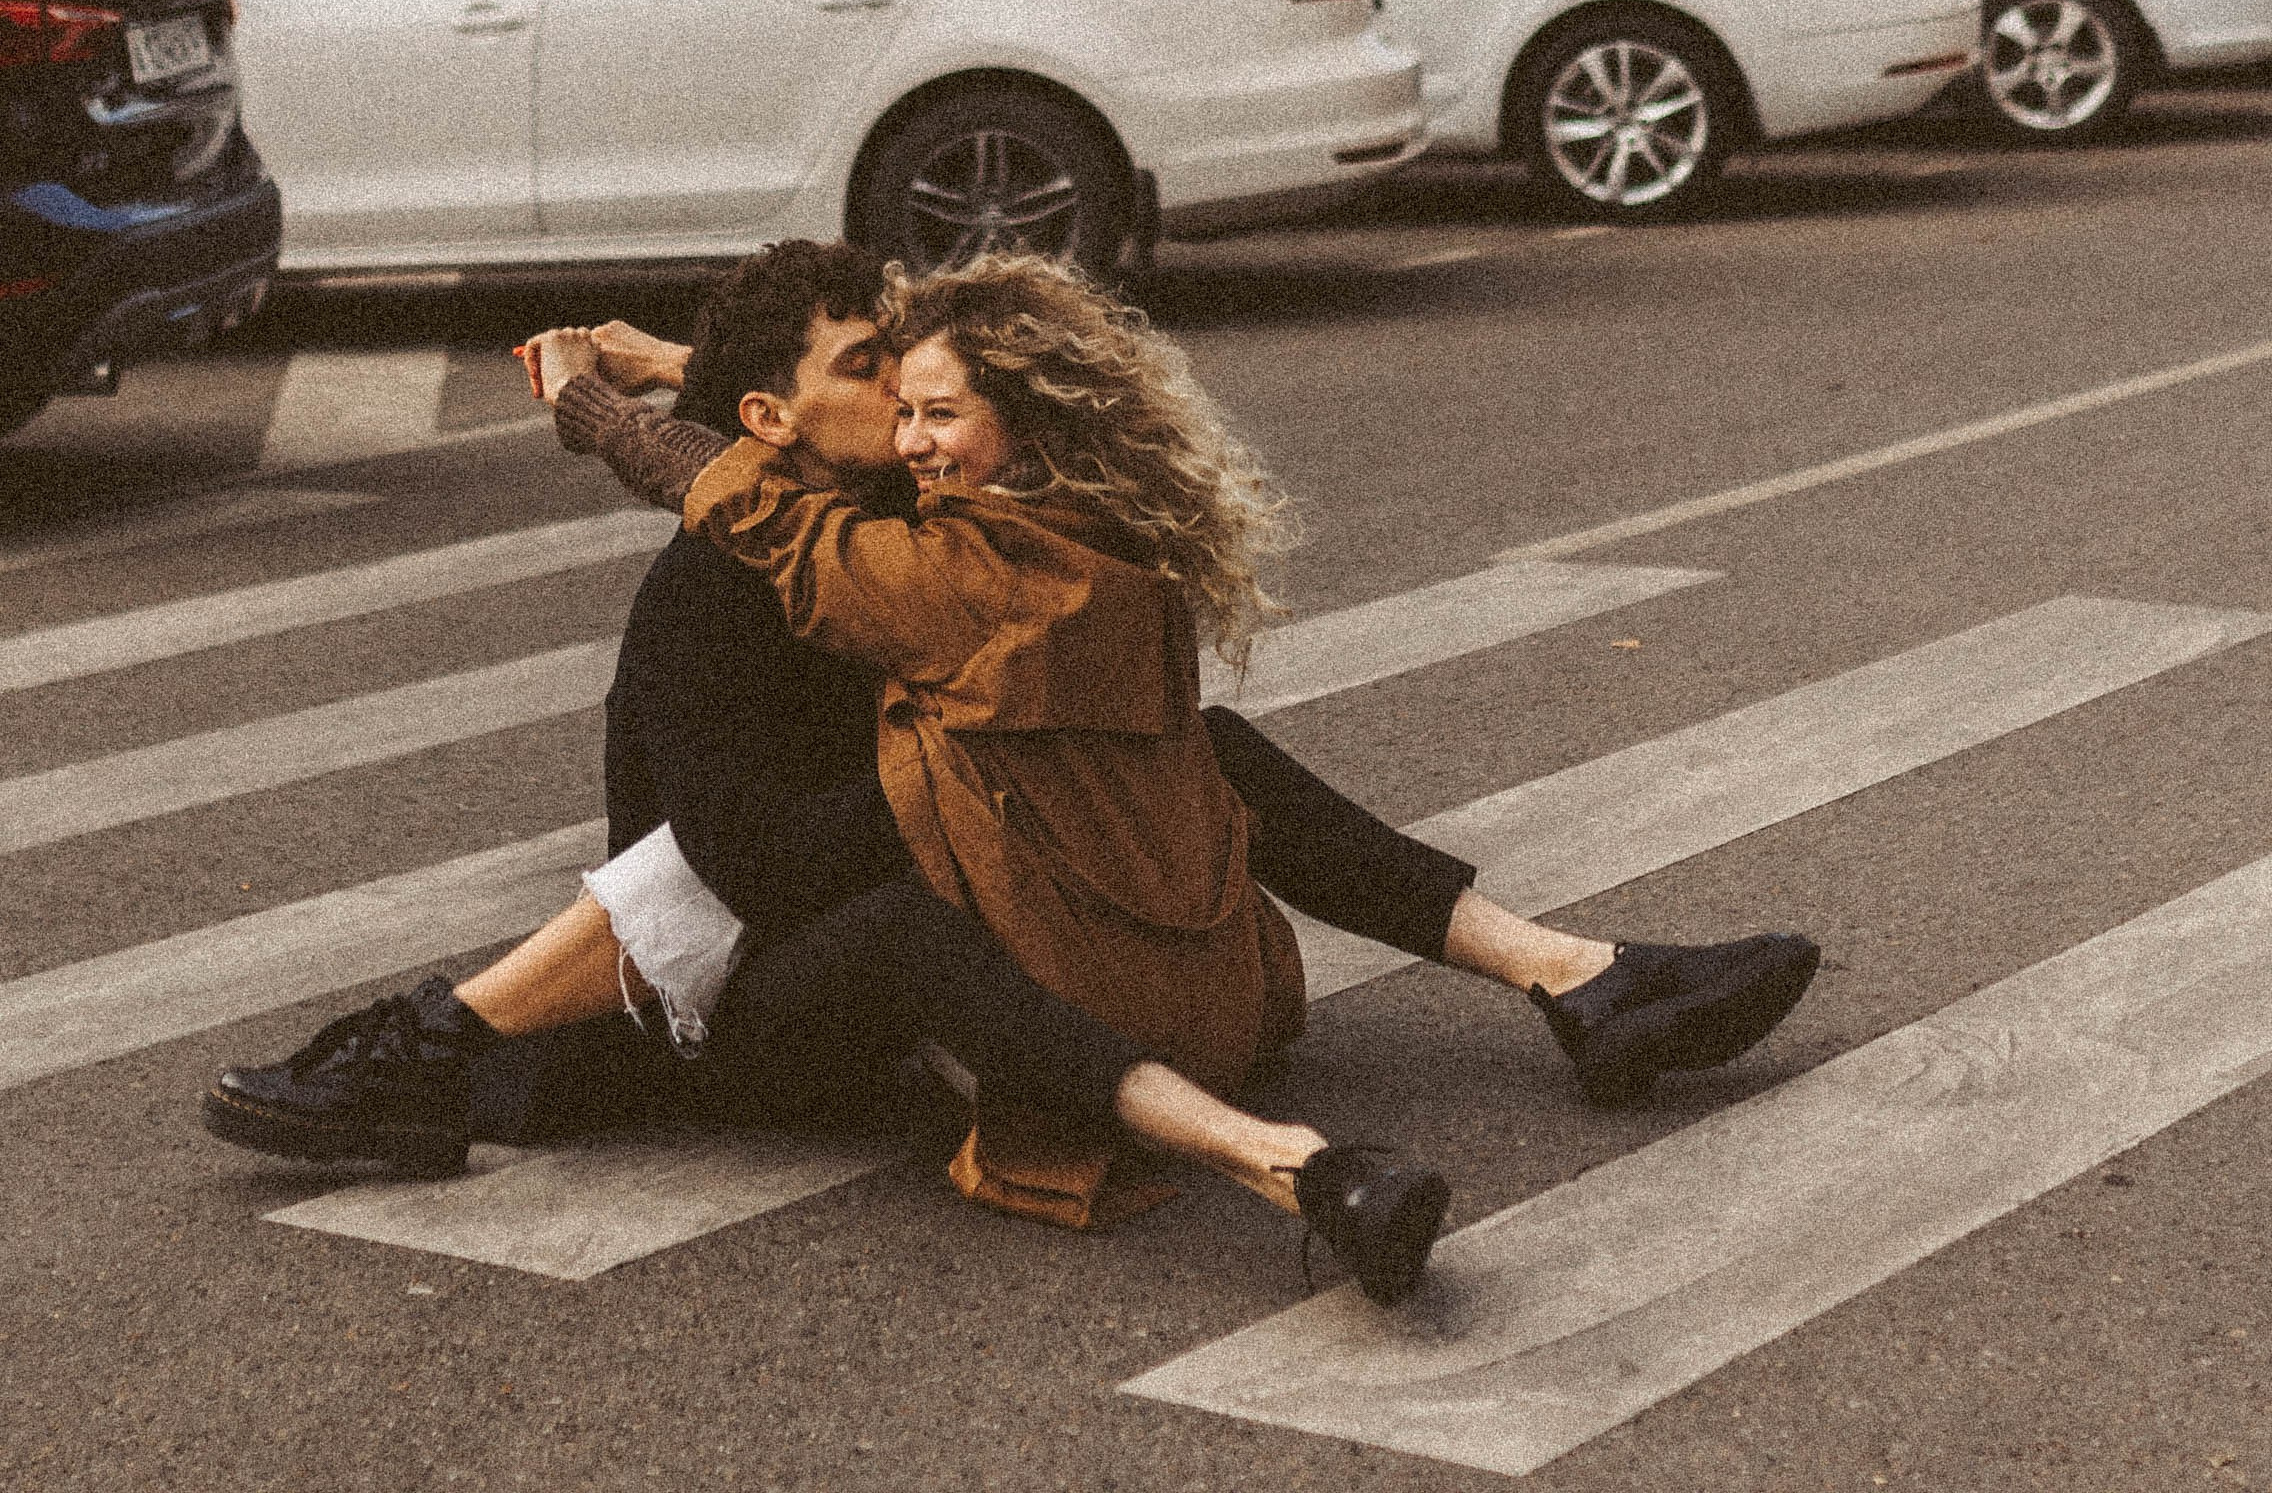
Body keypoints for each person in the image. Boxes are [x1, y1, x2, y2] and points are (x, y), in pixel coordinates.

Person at [203, 245, 1818, 1300]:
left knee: (1202, 747)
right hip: (763, 987)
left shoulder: (906, 517)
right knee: (904, 886)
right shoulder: (716, 591)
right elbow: (747, 866)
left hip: (902, 888)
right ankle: (433, 1048)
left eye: (928, 395)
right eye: (877, 387)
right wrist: (974, 784)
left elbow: (804, 416)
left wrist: (667, 366)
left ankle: (1574, 977)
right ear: (777, 419)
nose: (912, 410)